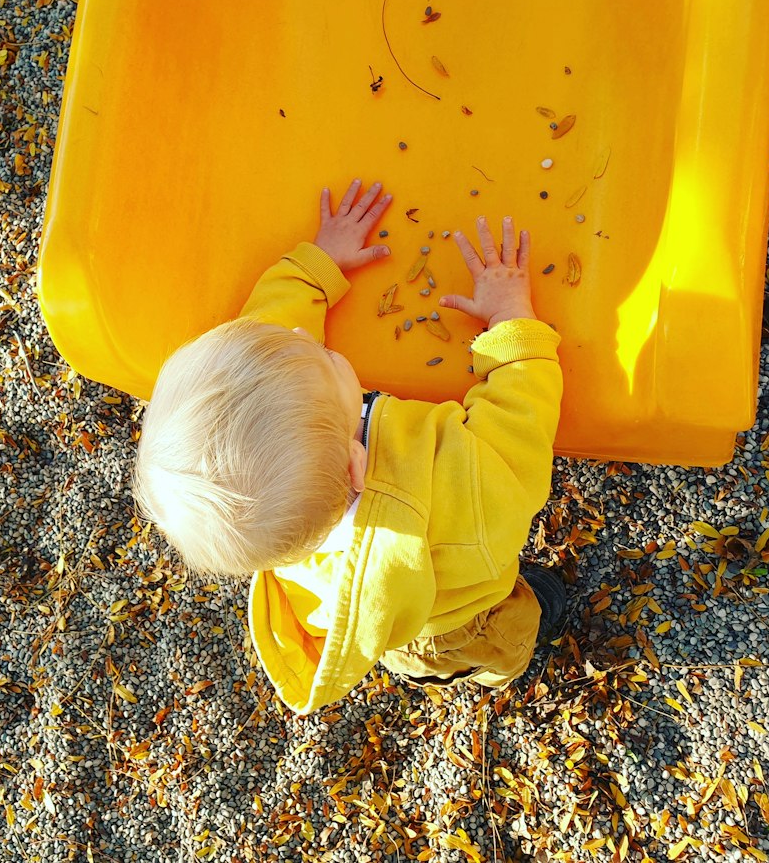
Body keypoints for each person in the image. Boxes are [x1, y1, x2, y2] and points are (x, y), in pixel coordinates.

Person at [133, 178, 566, 714]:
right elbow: (520, 428)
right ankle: (501, 664)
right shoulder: (459, 492)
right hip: (457, 616)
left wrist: (317, 265)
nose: (299, 337)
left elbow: (270, 332)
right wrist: (510, 320)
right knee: (503, 635)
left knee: (403, 646)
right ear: (357, 462)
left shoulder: (282, 507)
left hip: (368, 610)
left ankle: (410, 662)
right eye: (322, 358)